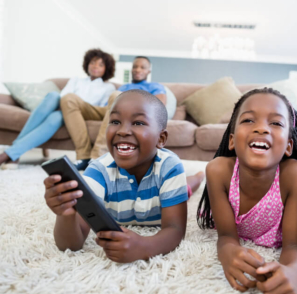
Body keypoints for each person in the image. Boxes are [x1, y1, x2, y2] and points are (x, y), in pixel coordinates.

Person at [197, 88, 297, 294]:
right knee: (191, 185)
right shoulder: (217, 171)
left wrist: (293, 274)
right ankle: (193, 179)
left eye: (276, 123)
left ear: (289, 146)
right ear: (231, 141)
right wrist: (228, 252)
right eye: (249, 120)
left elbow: (293, 246)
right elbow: (226, 237)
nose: (261, 128)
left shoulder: (294, 175)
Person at [43, 89, 204, 262]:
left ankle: (199, 176)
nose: (123, 131)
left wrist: (144, 247)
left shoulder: (170, 167)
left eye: (138, 123)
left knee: (187, 187)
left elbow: (175, 230)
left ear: (161, 138)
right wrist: (65, 215)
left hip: (165, 193)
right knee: (182, 188)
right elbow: (70, 245)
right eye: (115, 121)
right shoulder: (98, 170)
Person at [0, 48, 116, 169]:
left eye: (100, 65)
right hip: (65, 108)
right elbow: (63, 97)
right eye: (93, 63)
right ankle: (13, 154)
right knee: (54, 100)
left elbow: (98, 110)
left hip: (81, 113)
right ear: (87, 64)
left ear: (107, 68)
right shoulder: (76, 80)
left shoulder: (108, 88)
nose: (95, 66)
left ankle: (10, 153)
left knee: (57, 114)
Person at [64, 56, 167, 171]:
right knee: (69, 99)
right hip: (109, 111)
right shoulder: (124, 87)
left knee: (116, 95)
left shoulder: (155, 86)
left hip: (129, 114)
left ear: (148, 71)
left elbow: (159, 106)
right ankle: (83, 156)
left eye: (142, 67)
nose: (138, 69)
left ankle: (97, 157)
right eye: (135, 67)